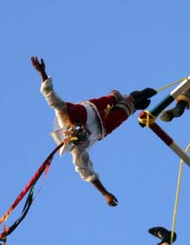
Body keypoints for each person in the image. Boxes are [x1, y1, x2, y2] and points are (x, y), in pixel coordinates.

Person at [31, 56, 156, 206]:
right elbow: (85, 171)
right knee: (122, 112)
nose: (84, 130)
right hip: (102, 127)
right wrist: (105, 194)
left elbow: (49, 93)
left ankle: (132, 96)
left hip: (94, 109)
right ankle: (134, 103)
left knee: (114, 99)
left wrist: (42, 72)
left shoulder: (64, 113)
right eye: (83, 134)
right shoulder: (78, 148)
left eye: (81, 129)